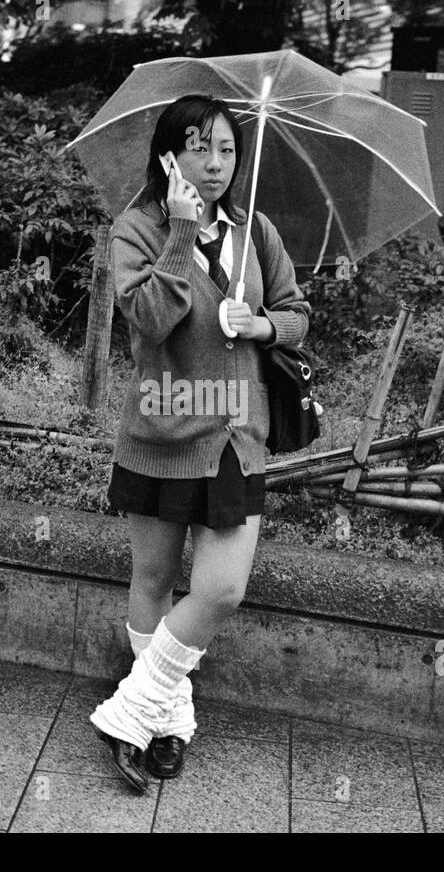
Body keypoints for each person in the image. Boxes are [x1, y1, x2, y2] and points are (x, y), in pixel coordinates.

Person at [90, 94, 311, 792]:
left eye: (226, 150)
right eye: (198, 148)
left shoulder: (257, 233)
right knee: (153, 581)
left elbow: (297, 315)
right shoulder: (136, 229)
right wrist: (182, 232)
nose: (215, 164)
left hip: (235, 438)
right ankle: (168, 721)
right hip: (161, 430)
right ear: (169, 156)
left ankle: (128, 708)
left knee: (220, 587)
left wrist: (262, 328)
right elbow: (152, 320)